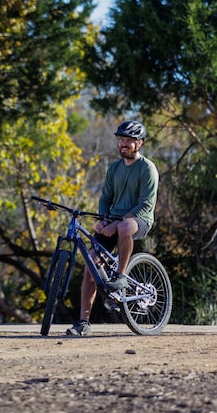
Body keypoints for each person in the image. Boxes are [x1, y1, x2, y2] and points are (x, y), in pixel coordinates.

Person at [66, 120, 159, 337]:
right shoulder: (114, 168)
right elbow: (105, 198)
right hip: (114, 220)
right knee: (90, 263)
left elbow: (146, 204)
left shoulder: (148, 169)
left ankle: (121, 275)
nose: (123, 144)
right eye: (121, 140)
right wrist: (103, 220)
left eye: (129, 140)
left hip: (139, 219)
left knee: (126, 227)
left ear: (140, 144)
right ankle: (83, 323)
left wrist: (117, 223)